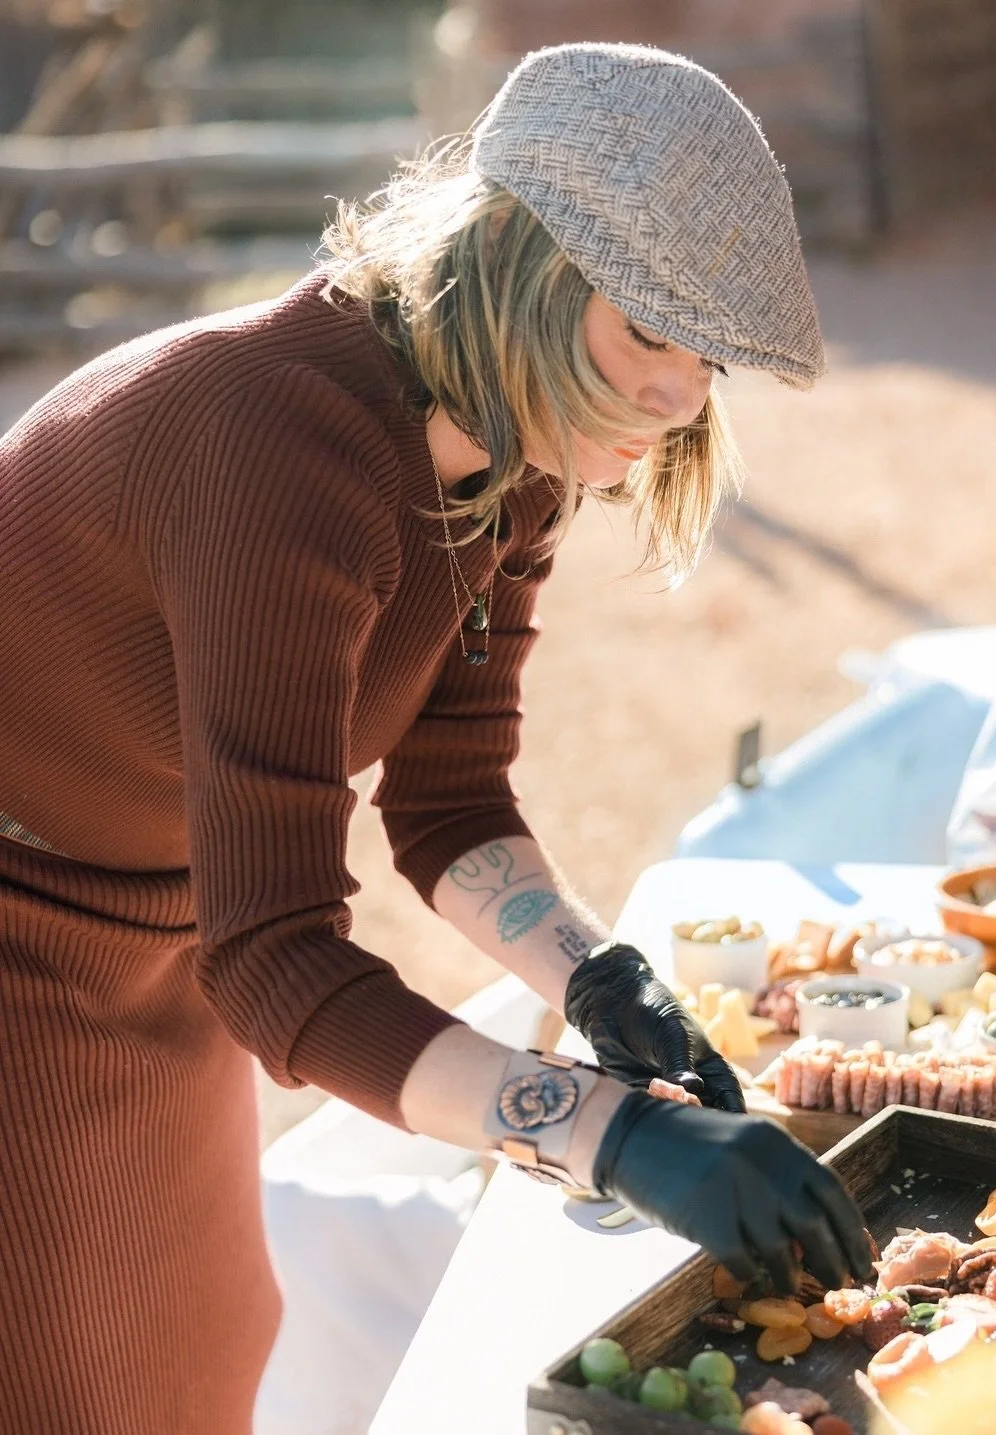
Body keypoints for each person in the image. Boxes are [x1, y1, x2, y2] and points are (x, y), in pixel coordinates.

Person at [0, 40, 871, 1435]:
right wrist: (615, 1136)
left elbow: (451, 798)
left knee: (211, 1339)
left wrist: (600, 983)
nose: (682, 399)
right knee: (71, 1380)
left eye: (705, 358)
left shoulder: (514, 454)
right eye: (651, 332)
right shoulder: (277, 455)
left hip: (163, 919)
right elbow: (280, 958)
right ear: (522, 261)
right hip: (26, 929)